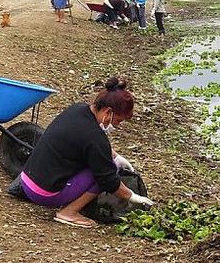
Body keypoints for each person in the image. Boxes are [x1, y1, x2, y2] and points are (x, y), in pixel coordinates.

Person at [19, 77, 154, 227]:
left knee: (104, 163)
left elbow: (89, 145)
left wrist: (116, 156)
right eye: (118, 120)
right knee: (108, 171)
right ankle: (68, 212)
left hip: (26, 179)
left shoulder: (78, 109)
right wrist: (133, 197)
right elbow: (109, 181)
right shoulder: (95, 137)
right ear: (108, 112)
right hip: (43, 193)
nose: (118, 125)